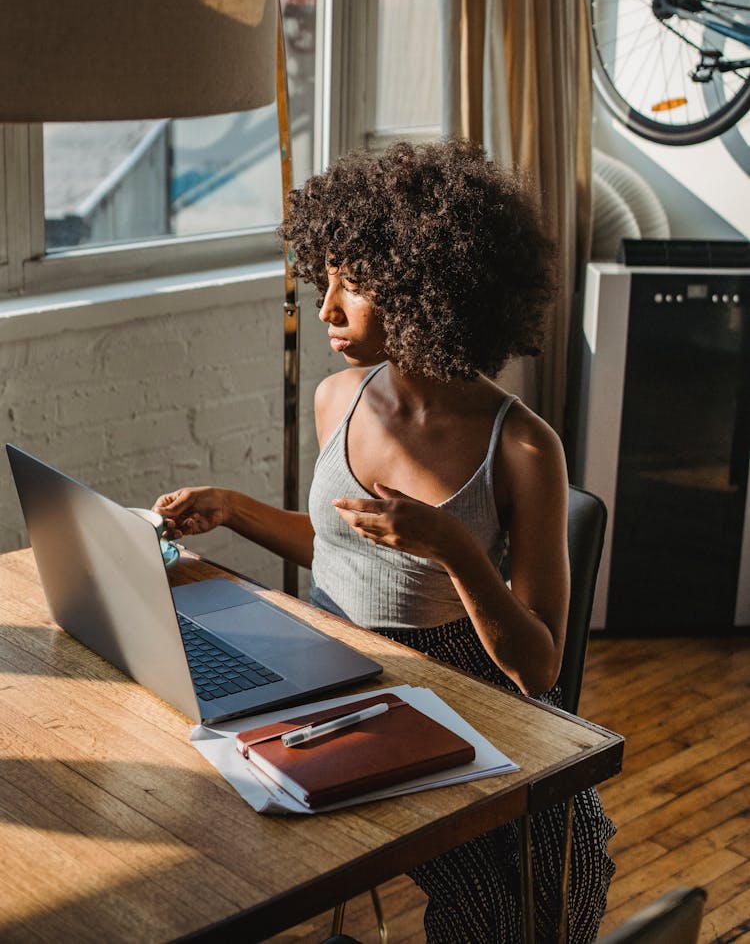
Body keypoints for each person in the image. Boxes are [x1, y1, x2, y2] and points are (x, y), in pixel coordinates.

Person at [153, 138, 615, 943]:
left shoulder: (522, 446)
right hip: (344, 673)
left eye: (354, 285)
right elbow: (343, 552)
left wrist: (454, 547)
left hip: (463, 686)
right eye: (323, 277)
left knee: (545, 867)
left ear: (427, 288)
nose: (326, 308)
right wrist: (232, 507)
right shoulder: (339, 396)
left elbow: (538, 666)